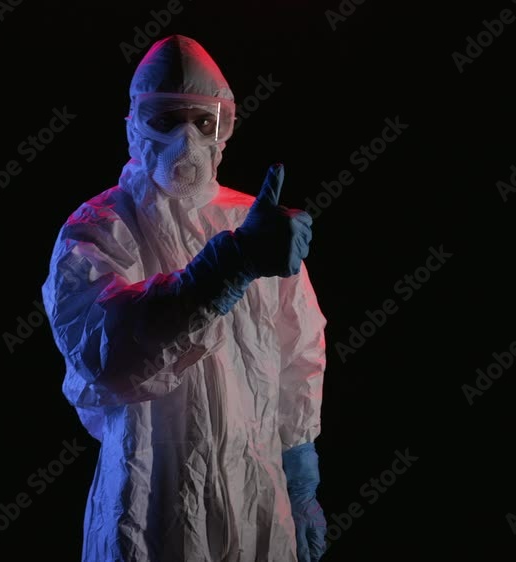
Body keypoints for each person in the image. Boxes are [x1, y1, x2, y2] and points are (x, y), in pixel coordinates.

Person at [41, 35, 328, 562]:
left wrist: (302, 474)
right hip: (149, 507)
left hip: (256, 501)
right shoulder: (100, 230)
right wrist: (226, 269)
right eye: (166, 119)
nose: (187, 140)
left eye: (203, 122)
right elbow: (107, 353)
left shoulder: (255, 226)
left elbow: (299, 353)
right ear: (134, 124)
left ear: (226, 127)